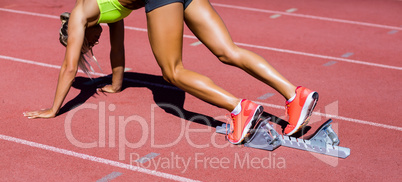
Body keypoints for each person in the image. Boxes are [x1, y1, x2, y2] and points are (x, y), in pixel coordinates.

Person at [24, 0, 319, 145]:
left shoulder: (80, 13)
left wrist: (53, 109)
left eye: (87, 43)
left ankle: (240, 109)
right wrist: (116, 84)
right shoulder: (103, 13)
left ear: (78, 32)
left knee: (172, 71)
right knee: (227, 51)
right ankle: (295, 94)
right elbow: (118, 49)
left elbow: (68, 66)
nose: (93, 44)